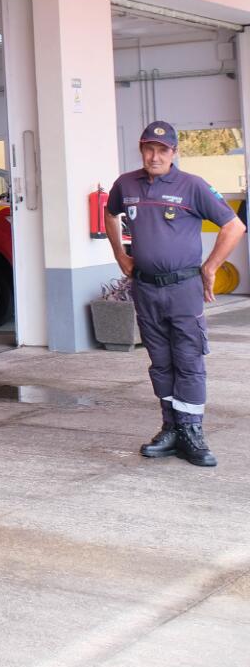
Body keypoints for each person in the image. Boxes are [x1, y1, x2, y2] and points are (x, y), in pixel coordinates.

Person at [105, 120, 245, 466]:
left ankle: (191, 431)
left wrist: (210, 267)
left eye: (162, 150)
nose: (155, 156)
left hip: (183, 288)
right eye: (149, 149)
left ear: (174, 153)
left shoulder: (192, 186)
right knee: (161, 362)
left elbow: (234, 226)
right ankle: (170, 428)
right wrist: (120, 255)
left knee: (188, 360)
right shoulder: (126, 184)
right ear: (141, 149)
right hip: (146, 288)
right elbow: (110, 214)